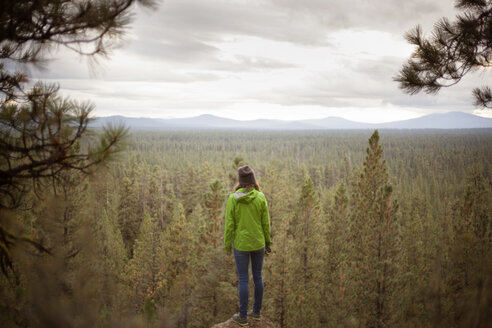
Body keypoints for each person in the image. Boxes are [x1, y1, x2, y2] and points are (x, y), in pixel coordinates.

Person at [224, 165, 271, 326]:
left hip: (241, 245)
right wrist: (268, 242)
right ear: (253, 180)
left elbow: (229, 224)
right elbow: (266, 223)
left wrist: (226, 245)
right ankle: (256, 313)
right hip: (258, 243)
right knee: (258, 277)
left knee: (243, 279)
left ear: (240, 181)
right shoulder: (260, 197)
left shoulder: (233, 198)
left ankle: (243, 316)